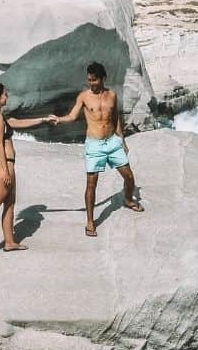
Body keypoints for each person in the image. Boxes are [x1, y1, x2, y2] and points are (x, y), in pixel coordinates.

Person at [54, 61, 144, 236]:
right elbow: (72, 116)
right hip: (94, 144)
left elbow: (116, 117)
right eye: (89, 80)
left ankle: (127, 199)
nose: (91, 83)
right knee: (91, 184)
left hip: (112, 142)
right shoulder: (84, 97)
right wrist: (59, 119)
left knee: (129, 177)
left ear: (102, 78)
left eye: (94, 80)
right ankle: (90, 221)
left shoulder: (112, 95)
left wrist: (122, 140)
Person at [0, 82, 56, 258]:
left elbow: (19, 122)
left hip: (6, 165)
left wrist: (43, 119)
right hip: (4, 166)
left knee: (9, 205)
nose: (7, 96)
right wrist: (6, 171)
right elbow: (0, 146)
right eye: (5, 94)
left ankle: (9, 242)